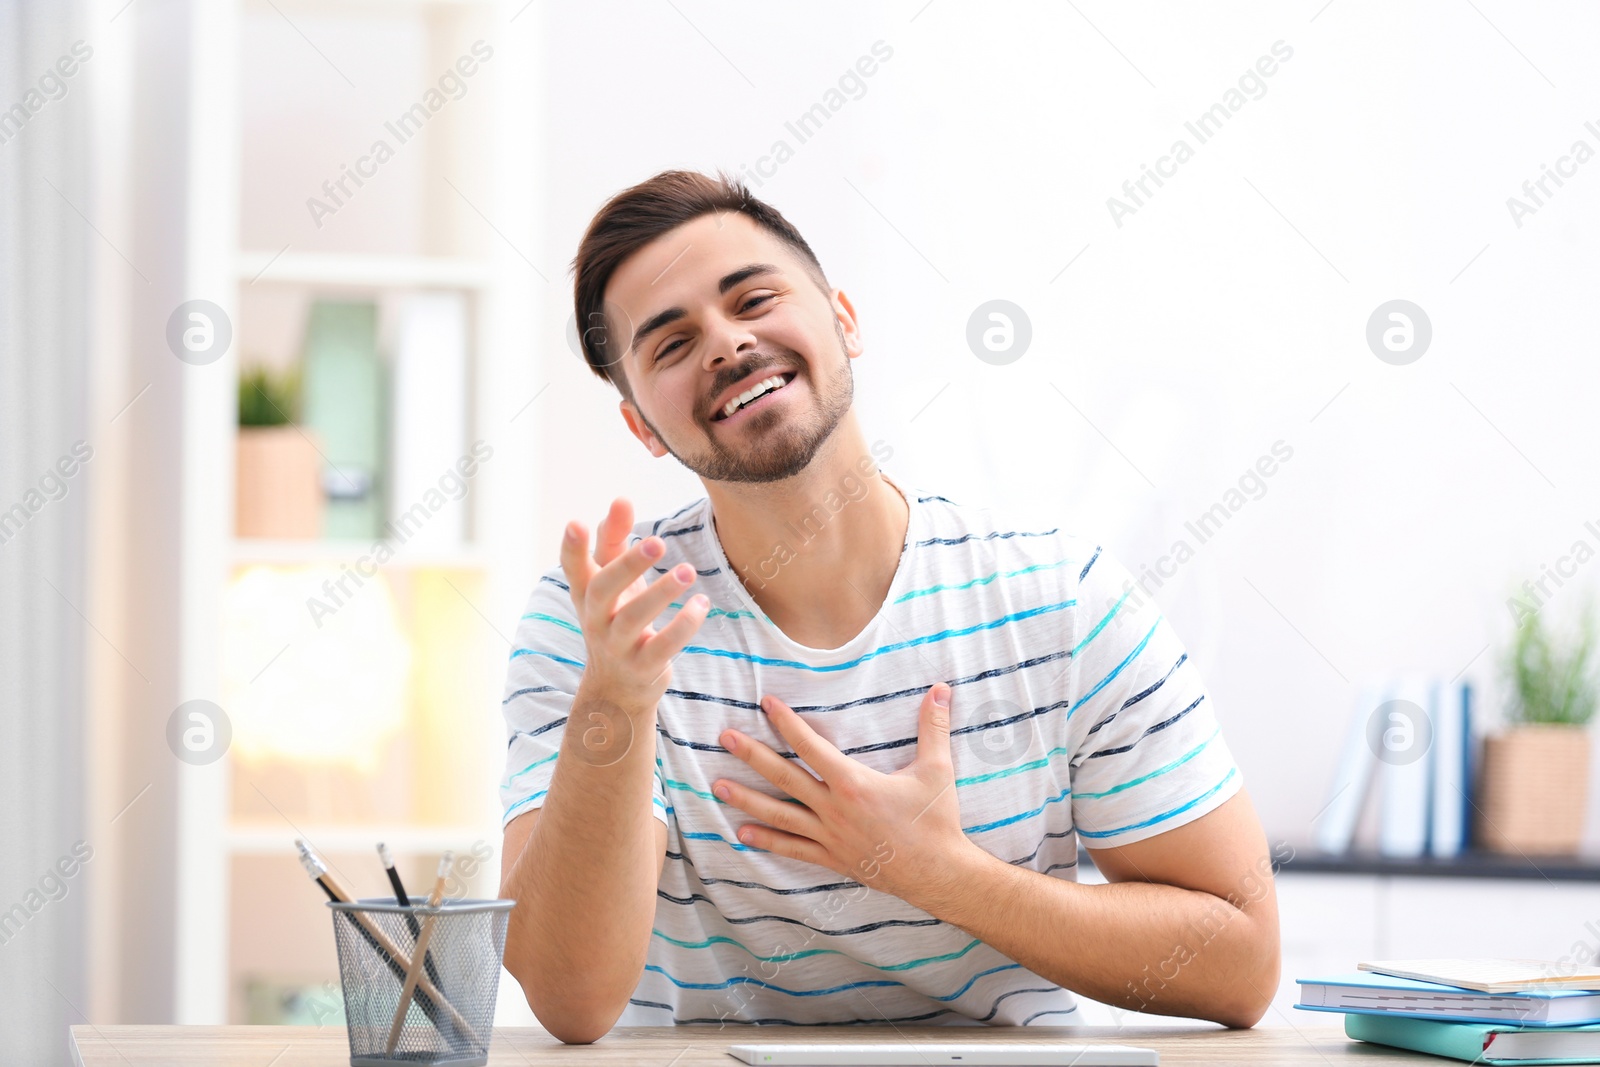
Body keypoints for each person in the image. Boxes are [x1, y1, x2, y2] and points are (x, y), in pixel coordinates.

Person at [496, 169, 1280, 1043]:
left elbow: (1240, 966)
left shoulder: (1064, 599)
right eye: (671, 346)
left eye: (752, 298)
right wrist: (618, 698)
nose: (724, 343)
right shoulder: (599, 624)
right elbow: (570, 998)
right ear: (642, 424)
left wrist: (936, 871)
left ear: (845, 320)